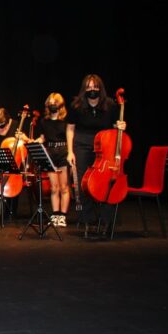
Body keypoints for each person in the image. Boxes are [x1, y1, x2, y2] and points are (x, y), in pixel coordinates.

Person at [66, 74, 126, 232]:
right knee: (84, 182)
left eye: (95, 87)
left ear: (100, 88)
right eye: (89, 87)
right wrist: (70, 152)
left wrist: (121, 126)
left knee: (107, 182)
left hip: (105, 146)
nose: (92, 89)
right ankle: (87, 219)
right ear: (84, 89)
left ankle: (106, 219)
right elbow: (70, 129)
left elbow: (115, 127)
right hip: (82, 145)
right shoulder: (76, 105)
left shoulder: (111, 105)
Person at [32, 93, 70, 227]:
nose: (52, 104)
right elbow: (42, 138)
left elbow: (70, 138)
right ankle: (55, 214)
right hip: (50, 153)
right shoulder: (44, 121)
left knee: (64, 187)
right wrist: (32, 141)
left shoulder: (65, 120)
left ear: (60, 104)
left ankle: (63, 216)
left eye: (55, 102)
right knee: (54, 187)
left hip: (63, 152)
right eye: (50, 102)